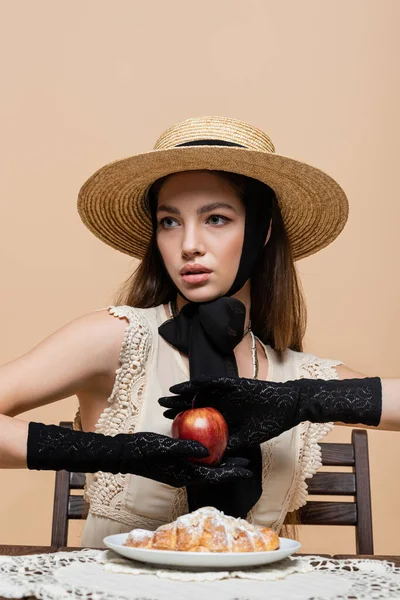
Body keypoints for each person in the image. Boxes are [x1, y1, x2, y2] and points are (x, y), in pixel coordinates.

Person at [0, 116, 398, 549]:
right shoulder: (119, 338)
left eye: (217, 219)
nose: (189, 243)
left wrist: (304, 399)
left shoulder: (295, 373)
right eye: (170, 222)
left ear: (261, 231)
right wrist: (112, 453)